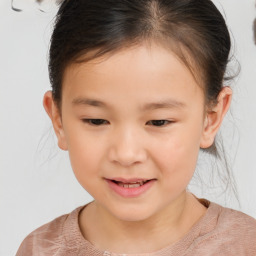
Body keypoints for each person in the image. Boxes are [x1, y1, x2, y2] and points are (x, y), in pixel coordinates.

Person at [16, 0, 256, 255]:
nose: (126, 154)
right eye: (96, 120)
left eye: (158, 122)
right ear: (58, 119)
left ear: (211, 117)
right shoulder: (39, 249)